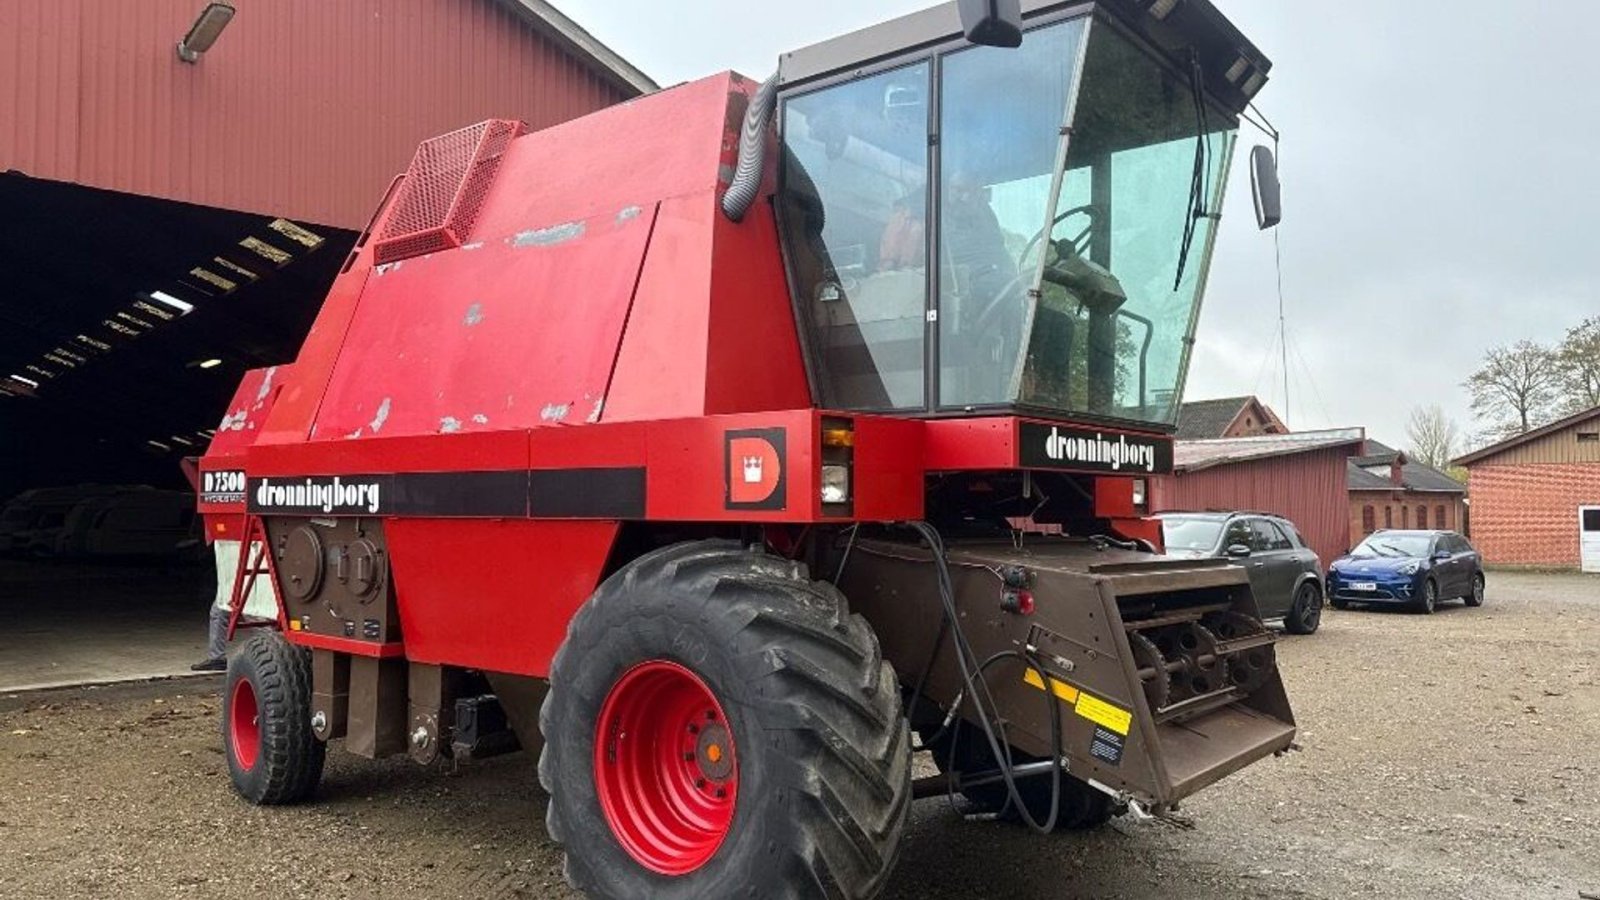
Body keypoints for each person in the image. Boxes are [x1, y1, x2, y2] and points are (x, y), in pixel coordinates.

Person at [191, 534, 277, 671]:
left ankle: (277, 649)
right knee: (221, 611)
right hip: (239, 560)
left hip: (242, 559)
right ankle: (216, 657)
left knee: (248, 612)